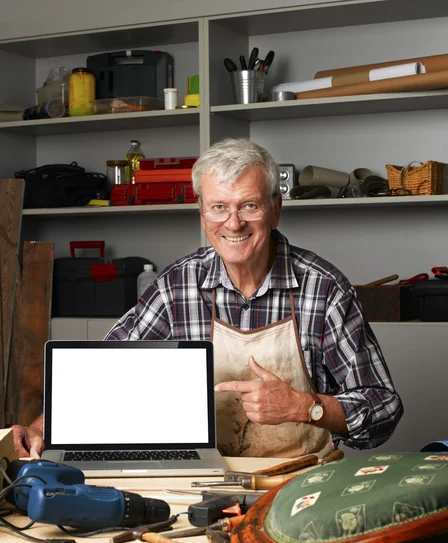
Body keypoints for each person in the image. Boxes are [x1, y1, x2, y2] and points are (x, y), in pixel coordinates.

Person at [12, 137, 403, 459]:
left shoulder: (323, 288)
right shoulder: (177, 286)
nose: (233, 223)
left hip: (300, 482)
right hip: (202, 481)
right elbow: (105, 375)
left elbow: (384, 407)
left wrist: (304, 407)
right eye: (219, 208)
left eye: (249, 205)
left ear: (275, 210)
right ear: (203, 215)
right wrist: (40, 428)